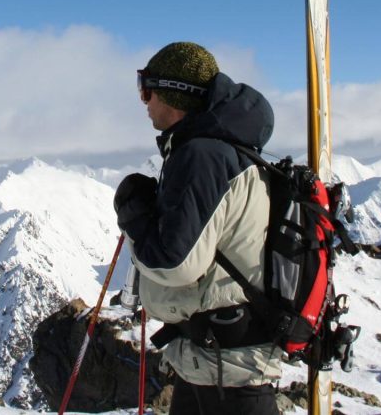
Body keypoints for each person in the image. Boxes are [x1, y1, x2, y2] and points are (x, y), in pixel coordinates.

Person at [114, 42, 281, 415]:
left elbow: (175, 264)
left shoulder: (202, 156)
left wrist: (134, 215)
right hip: (212, 362)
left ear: (174, 94)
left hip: (230, 377)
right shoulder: (216, 149)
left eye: (147, 87)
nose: (144, 100)